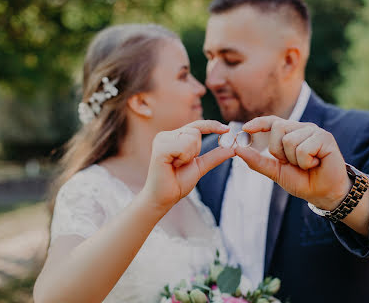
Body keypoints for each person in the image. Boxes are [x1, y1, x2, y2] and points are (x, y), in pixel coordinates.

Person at [197, 0, 369, 302]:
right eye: (209, 57)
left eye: (231, 60)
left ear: (289, 60)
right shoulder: (204, 156)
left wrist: (342, 194)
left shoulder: (360, 133)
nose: (211, 78)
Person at [33, 24, 236, 303]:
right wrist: (152, 202)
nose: (200, 88)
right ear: (141, 102)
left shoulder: (194, 188)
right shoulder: (89, 190)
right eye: (183, 75)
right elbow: (52, 299)